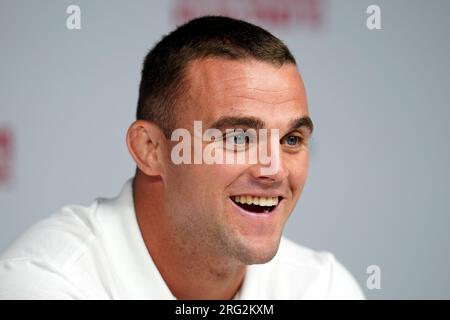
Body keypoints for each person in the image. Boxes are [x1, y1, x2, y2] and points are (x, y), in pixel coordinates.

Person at [0, 16, 364, 299]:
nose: (275, 168)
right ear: (150, 150)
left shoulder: (321, 289)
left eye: (291, 139)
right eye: (238, 137)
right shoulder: (46, 284)